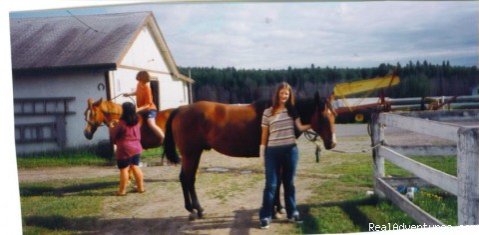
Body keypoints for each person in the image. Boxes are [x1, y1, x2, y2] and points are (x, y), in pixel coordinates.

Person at [259, 82, 311, 229]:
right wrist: (262, 153)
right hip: (272, 152)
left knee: (289, 184)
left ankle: (292, 213)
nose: (284, 96)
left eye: (286, 94)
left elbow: (300, 127)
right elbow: (264, 134)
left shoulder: (292, 110)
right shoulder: (267, 112)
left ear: (289, 96)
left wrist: (314, 124)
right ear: (277, 94)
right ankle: (265, 216)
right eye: (282, 93)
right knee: (271, 185)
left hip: (290, 151)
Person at [109, 102, 145, 196]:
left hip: (124, 149)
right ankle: (141, 188)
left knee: (124, 169)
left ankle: (122, 191)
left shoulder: (121, 123)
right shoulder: (137, 121)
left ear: (124, 111)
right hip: (137, 147)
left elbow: (113, 135)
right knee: (135, 166)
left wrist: (111, 126)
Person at [124, 70, 164, 140]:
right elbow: (137, 92)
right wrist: (129, 94)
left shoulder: (147, 88)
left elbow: (148, 104)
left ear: (142, 78)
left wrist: (138, 109)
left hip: (150, 109)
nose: (138, 79)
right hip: (141, 109)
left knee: (151, 123)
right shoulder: (139, 84)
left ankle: (163, 138)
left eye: (139, 78)